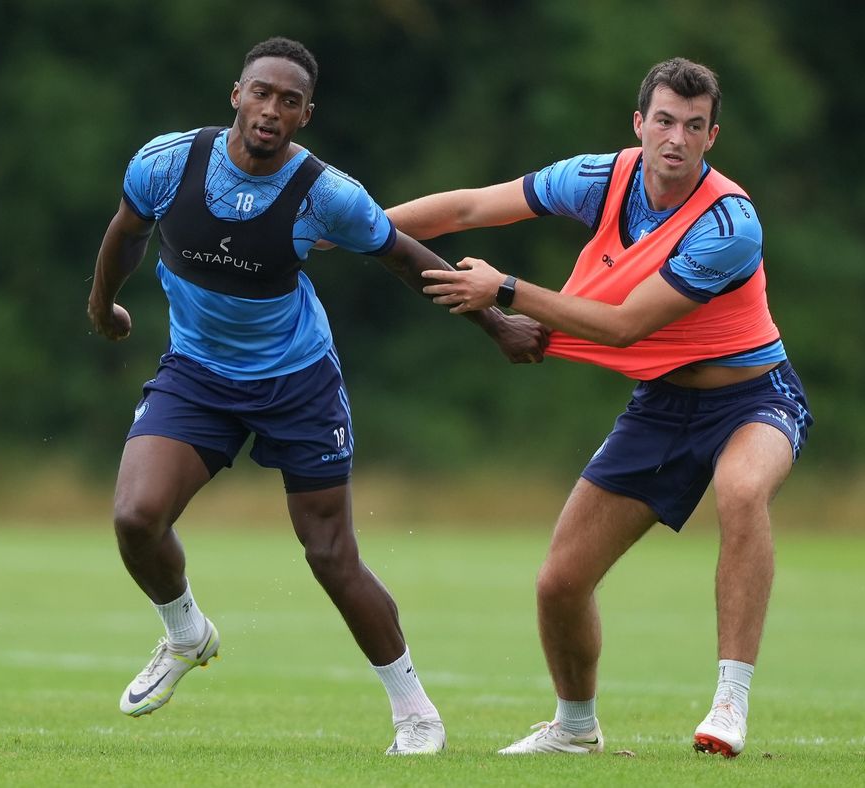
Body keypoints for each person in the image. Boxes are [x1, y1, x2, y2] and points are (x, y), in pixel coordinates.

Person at [85, 36, 545, 756]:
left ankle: (416, 714)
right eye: (261, 93)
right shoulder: (166, 163)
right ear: (236, 95)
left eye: (289, 101)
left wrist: (497, 326)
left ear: (306, 115)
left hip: (297, 382)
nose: (271, 109)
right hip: (198, 375)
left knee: (330, 554)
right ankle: (186, 634)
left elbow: (406, 257)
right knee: (135, 518)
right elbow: (126, 231)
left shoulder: (327, 195)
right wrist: (102, 306)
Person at [391, 57, 813, 758]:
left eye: (695, 126)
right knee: (560, 583)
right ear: (639, 123)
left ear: (713, 137)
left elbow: (623, 327)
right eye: (665, 121)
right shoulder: (599, 178)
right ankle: (575, 729)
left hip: (754, 398)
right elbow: (468, 209)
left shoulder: (730, 224)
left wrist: (506, 290)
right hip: (663, 406)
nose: (677, 138)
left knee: (741, 491)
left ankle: (729, 703)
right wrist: (353, 228)